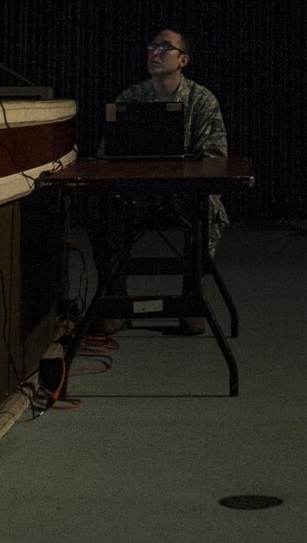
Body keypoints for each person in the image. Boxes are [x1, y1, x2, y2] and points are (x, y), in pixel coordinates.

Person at [96, 29, 231, 335]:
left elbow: (215, 157)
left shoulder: (202, 100)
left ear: (183, 60)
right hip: (138, 194)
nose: (155, 52)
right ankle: (116, 300)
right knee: (103, 207)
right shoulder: (130, 98)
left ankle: (191, 297)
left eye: (164, 47)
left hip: (184, 194)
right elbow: (108, 154)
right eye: (151, 47)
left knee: (209, 207)